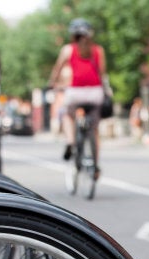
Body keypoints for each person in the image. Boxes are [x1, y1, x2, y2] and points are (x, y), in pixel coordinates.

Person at [48, 18, 109, 178]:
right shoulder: (98, 50)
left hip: (75, 93)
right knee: (94, 130)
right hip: (96, 93)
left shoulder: (68, 50)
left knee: (68, 114)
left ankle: (70, 142)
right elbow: (102, 73)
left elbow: (57, 69)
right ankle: (95, 165)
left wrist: (52, 83)